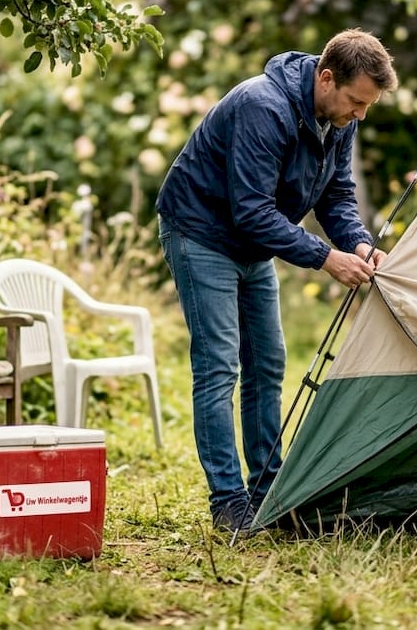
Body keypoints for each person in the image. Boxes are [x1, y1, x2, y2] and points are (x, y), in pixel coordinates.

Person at [156, 29, 399, 531]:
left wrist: (356, 242)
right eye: (356, 101)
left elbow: (337, 195)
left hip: (254, 243)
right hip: (202, 233)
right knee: (220, 366)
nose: (360, 114)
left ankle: (269, 493)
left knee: (267, 363)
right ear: (325, 77)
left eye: (367, 105)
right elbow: (250, 210)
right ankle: (228, 501)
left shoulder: (338, 118)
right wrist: (324, 258)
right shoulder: (261, 106)